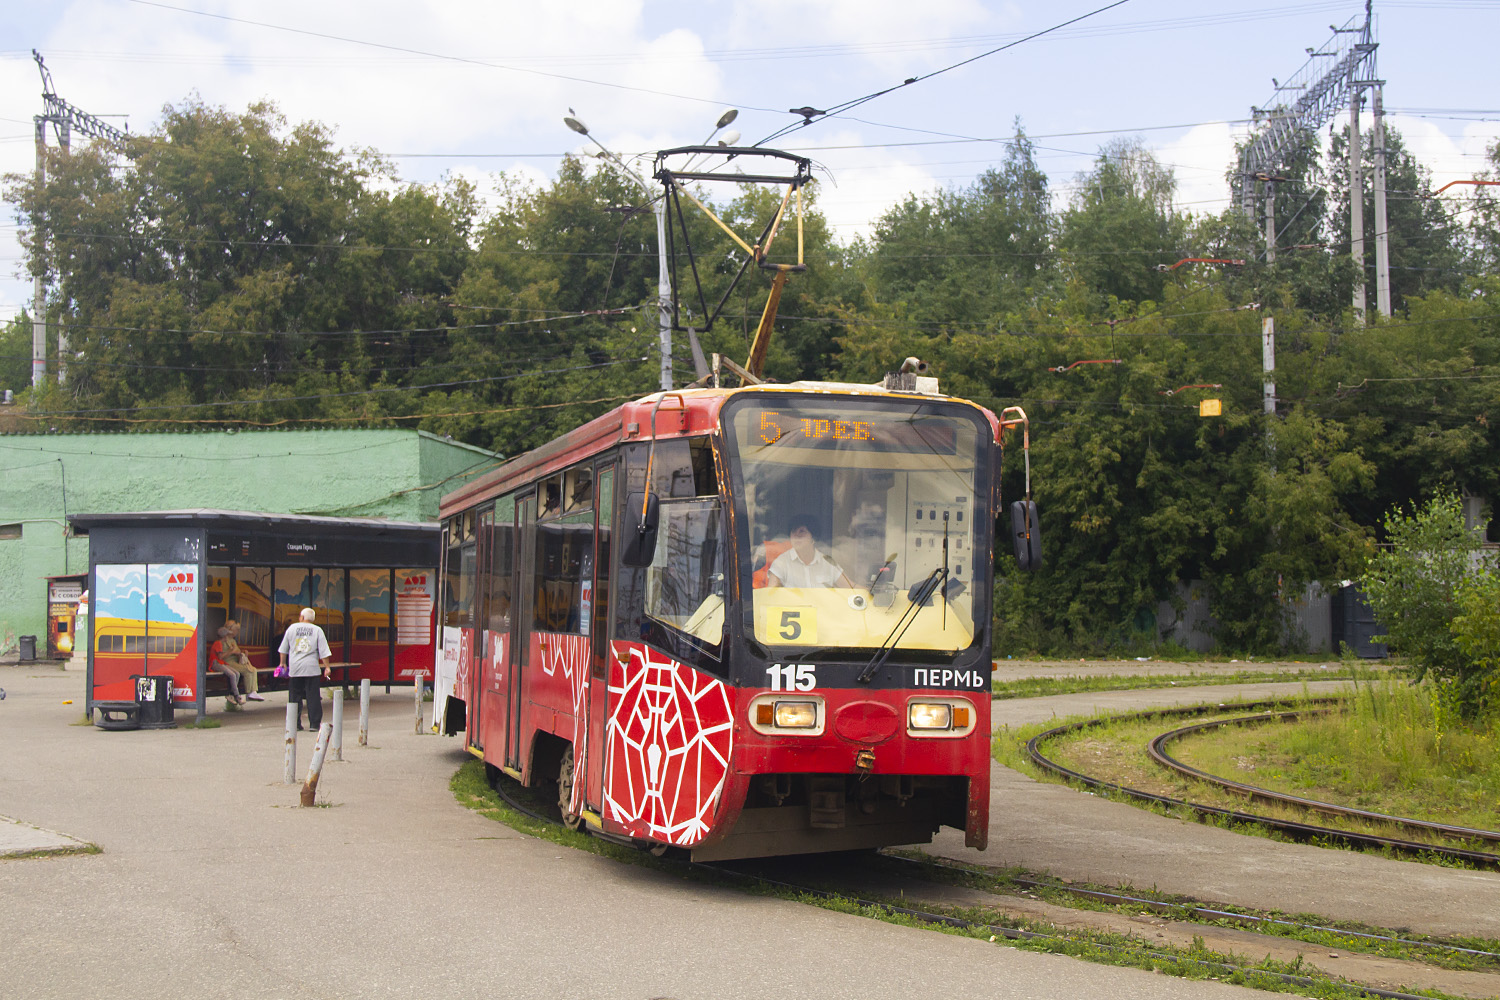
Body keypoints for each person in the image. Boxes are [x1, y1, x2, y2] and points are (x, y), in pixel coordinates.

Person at [278, 607, 332, 732]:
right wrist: (327, 667)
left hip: (295, 668)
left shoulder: (292, 628)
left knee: (294, 696)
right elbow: (324, 651)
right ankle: (314, 724)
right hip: (311, 668)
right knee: (313, 696)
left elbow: (283, 649)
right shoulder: (317, 630)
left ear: (301, 617)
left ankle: (295, 723)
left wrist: (282, 664)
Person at [766, 516, 854, 589]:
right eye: (793, 532)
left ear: (813, 538)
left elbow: (851, 587)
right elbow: (771, 594)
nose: (796, 536)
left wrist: (867, 591)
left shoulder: (827, 562)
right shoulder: (782, 562)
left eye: (802, 531)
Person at [210, 621, 264, 706]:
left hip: (234, 661)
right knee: (246, 670)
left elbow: (237, 651)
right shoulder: (221, 642)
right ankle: (246, 693)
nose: (237, 632)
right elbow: (222, 656)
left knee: (253, 669)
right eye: (236, 630)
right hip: (227, 662)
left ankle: (253, 691)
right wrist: (232, 651)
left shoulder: (232, 641)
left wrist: (242, 653)